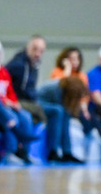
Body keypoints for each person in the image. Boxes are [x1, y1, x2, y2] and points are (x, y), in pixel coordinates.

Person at [6, 35, 75, 163]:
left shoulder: (34, 65)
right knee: (50, 112)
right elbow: (6, 83)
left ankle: (63, 152)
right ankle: (48, 151)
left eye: (41, 51)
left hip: (31, 102)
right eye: (35, 49)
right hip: (18, 102)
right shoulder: (18, 65)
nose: (37, 53)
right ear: (28, 47)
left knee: (61, 111)